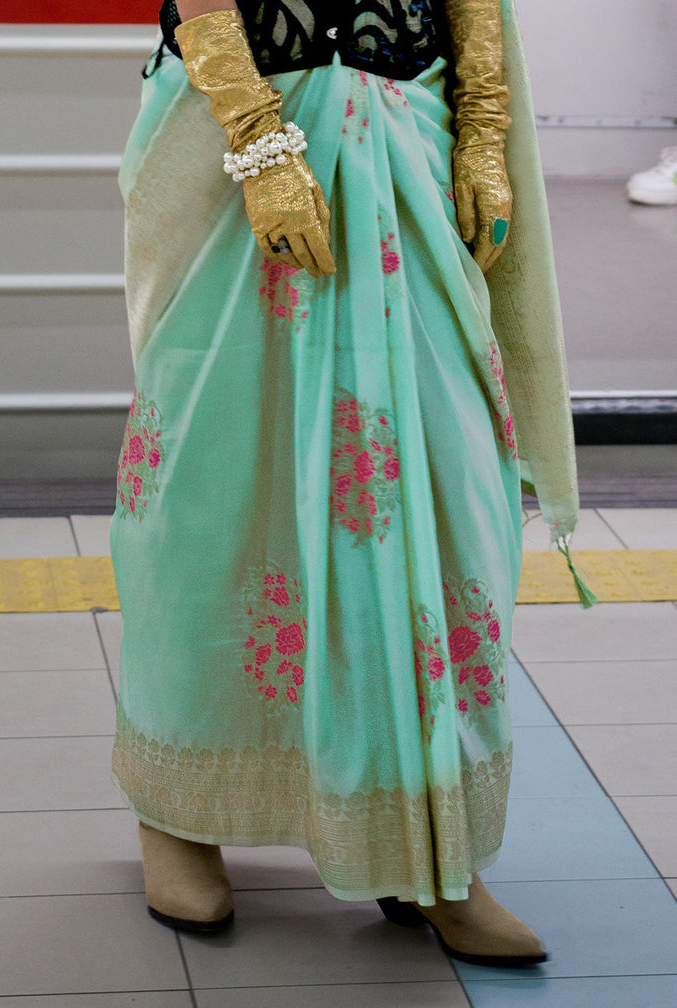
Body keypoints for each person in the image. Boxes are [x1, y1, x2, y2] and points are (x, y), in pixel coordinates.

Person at [111, 0, 584, 969]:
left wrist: (485, 123)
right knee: (213, 488)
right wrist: (254, 138)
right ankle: (179, 810)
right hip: (236, 112)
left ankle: (425, 843)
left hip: (406, 125)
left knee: (446, 489)